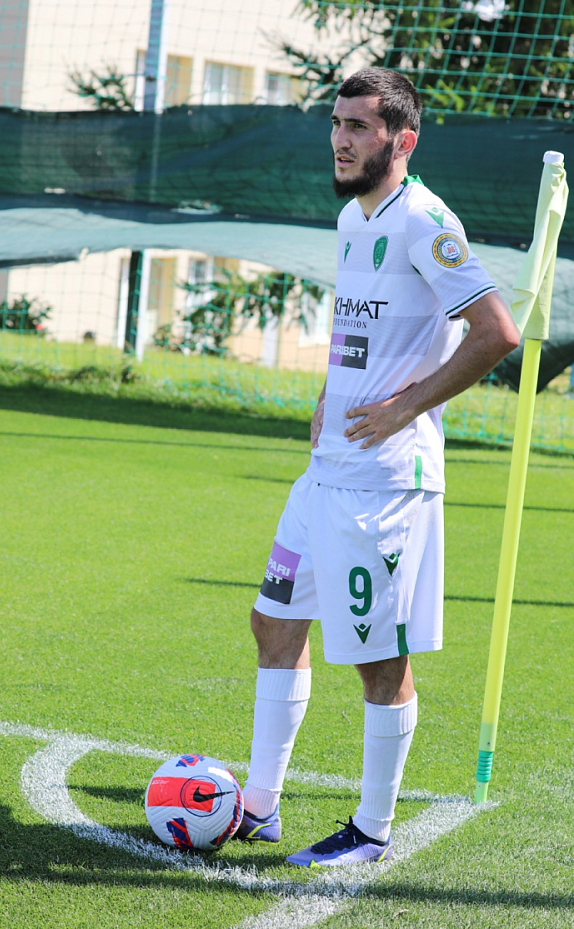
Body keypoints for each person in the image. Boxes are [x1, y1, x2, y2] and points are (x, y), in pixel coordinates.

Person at [235, 67, 520, 867]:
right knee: (274, 622)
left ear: (403, 140)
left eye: (359, 126)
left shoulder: (425, 222)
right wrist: (331, 393)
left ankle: (371, 828)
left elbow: (497, 332)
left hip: (384, 484)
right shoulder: (352, 218)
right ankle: (259, 805)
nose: (341, 139)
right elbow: (360, 325)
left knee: (375, 660)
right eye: (337, 123)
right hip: (325, 472)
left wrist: (405, 408)